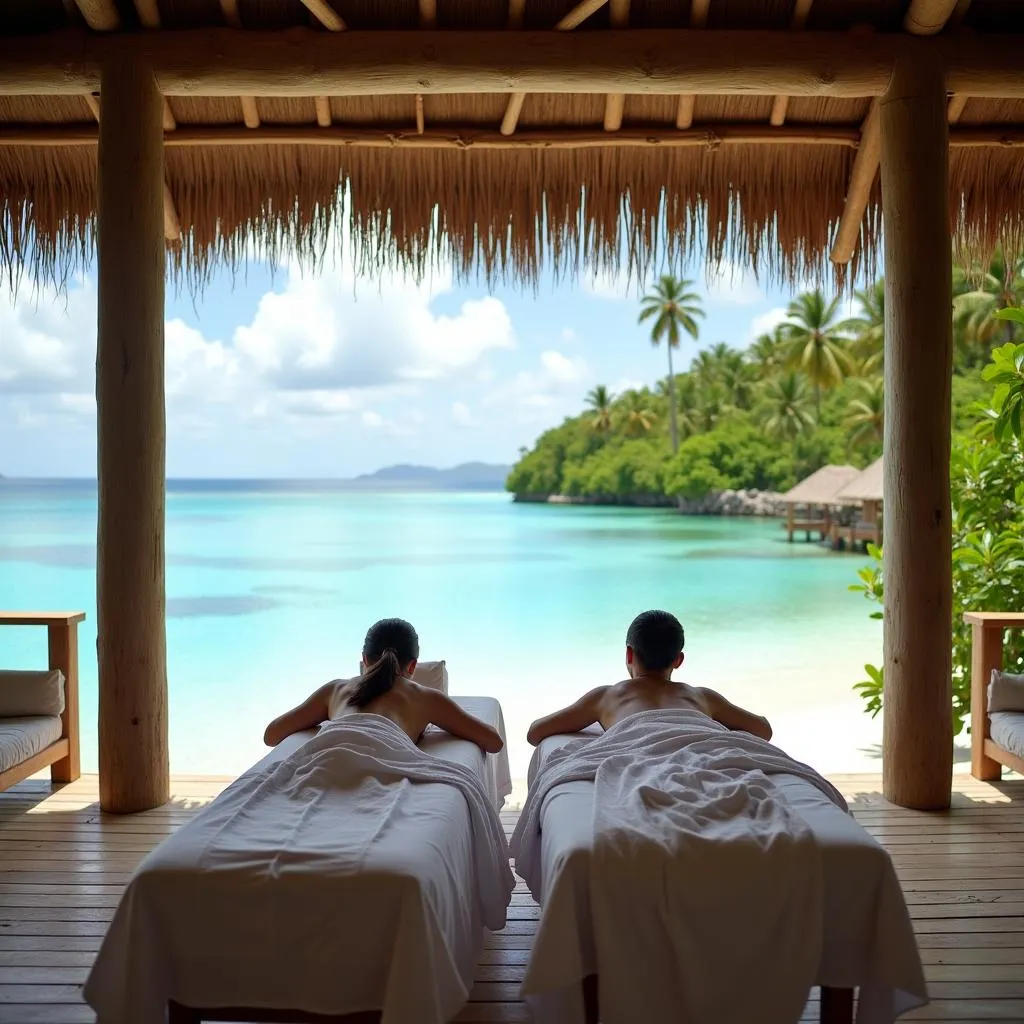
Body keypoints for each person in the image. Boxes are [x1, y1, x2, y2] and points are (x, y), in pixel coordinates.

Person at [526, 609, 772, 746]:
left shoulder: (607, 696)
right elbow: (763, 730)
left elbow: (536, 732)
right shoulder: (702, 697)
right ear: (679, 660)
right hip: (705, 752)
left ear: (629, 654)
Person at [263, 617, 504, 753]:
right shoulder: (426, 698)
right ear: (413, 666)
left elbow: (272, 735)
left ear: (364, 659)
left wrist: (321, 722)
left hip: (329, 755)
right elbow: (493, 742)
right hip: (385, 757)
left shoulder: (335, 690)